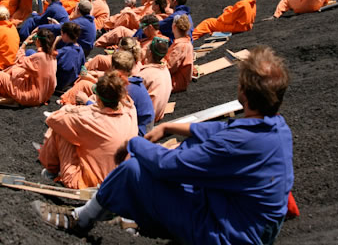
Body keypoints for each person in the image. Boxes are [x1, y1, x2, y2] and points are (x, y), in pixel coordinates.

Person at [33, 46, 294, 245]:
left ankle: (79, 219)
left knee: (134, 170)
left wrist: (135, 142)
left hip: (230, 234)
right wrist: (168, 127)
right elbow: (219, 128)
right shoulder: (277, 127)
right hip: (251, 223)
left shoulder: (234, 143)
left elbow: (168, 166)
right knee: (178, 168)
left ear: (243, 93)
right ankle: (132, 216)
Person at [36, 71, 138, 189]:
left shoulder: (90, 121)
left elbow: (52, 120)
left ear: (98, 99)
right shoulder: (131, 111)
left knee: (61, 131)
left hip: (89, 184)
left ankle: (51, 171)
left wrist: (71, 109)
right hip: (119, 180)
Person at [0, 29, 57, 113]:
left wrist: (24, 43)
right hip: (43, 96)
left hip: (32, 96)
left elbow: (18, 59)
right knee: (14, 70)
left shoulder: (38, 57)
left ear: (38, 41)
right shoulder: (53, 57)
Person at [75, 50, 155, 137]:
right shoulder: (134, 82)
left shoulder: (126, 89)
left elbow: (112, 113)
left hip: (137, 133)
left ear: (113, 67)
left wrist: (87, 101)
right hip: (145, 127)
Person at [193, 0, 257, 40]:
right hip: (245, 27)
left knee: (208, 22)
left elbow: (229, 18)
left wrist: (226, 10)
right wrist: (230, 8)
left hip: (237, 27)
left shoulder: (243, 3)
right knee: (211, 23)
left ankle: (191, 38)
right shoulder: (252, 3)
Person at [137, 37, 172, 122]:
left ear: (149, 52)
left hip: (145, 119)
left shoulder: (145, 75)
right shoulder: (165, 69)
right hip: (157, 115)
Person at [164, 15, 193, 93]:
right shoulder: (185, 41)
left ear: (174, 26)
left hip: (175, 82)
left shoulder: (180, 46)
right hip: (179, 80)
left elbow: (169, 67)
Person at [54, 22, 86, 91]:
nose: (61, 35)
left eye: (62, 33)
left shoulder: (64, 51)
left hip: (59, 83)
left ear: (65, 34)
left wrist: (55, 42)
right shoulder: (80, 49)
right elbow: (83, 66)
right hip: (71, 81)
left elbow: (48, 58)